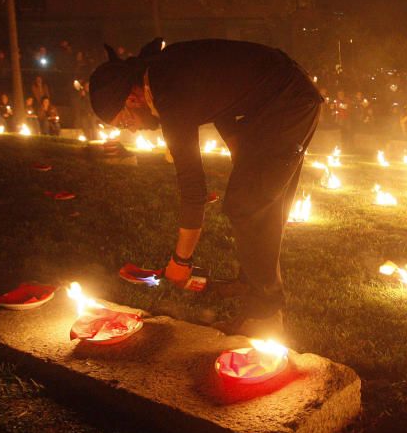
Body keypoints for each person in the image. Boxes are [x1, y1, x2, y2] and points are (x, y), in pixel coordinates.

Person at [88, 38, 322, 338]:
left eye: (124, 122)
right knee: (252, 201)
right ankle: (250, 289)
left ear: (132, 99)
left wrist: (180, 261)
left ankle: (265, 315)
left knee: (249, 204)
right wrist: (245, 161)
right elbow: (221, 103)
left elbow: (192, 184)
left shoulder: (168, 92)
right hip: (275, 104)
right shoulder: (165, 74)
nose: (131, 129)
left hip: (287, 103)